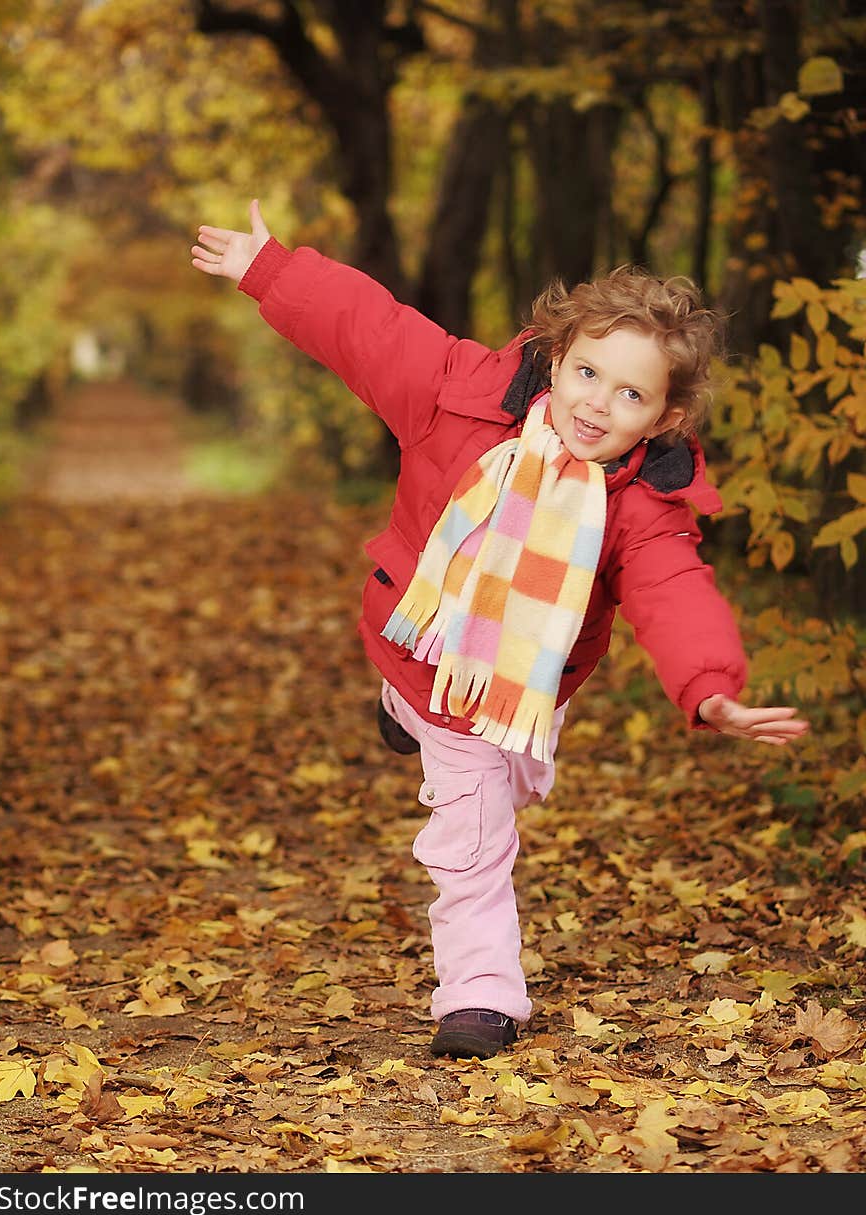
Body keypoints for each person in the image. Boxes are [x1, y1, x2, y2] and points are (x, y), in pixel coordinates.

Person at [191, 201, 810, 1060]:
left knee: (509, 776)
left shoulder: (640, 500)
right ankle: (481, 992)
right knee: (477, 827)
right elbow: (368, 328)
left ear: (664, 417)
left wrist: (710, 689)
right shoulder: (459, 392)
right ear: (557, 358)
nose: (598, 405)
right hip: (425, 641)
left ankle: (407, 716)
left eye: (632, 394)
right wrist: (270, 268)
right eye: (589, 373)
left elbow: (674, 590)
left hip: (534, 680)